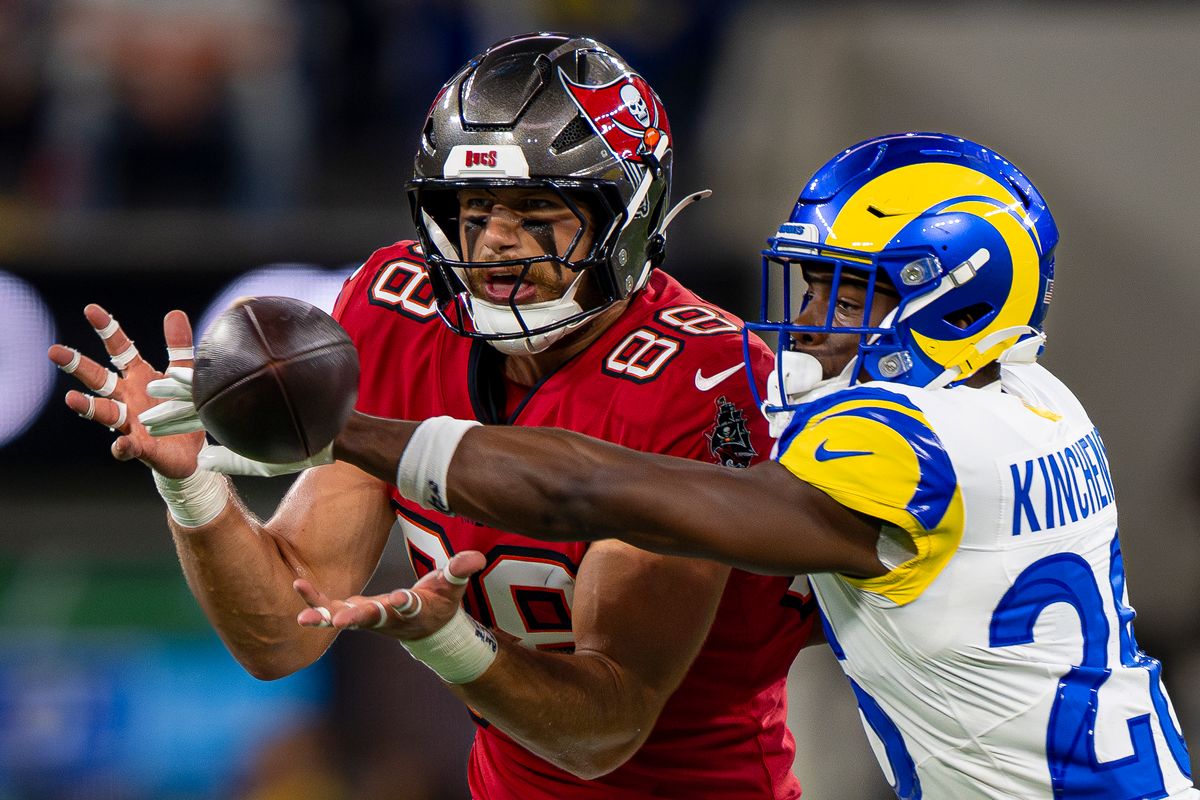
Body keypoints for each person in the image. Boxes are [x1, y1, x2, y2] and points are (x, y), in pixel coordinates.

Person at [247, 132, 1196, 799]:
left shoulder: (901, 445)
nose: (808, 323)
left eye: (846, 293)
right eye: (810, 281)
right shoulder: (1040, 404)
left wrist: (341, 429)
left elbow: (596, 492)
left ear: (956, 302)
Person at [49, 33, 814, 799]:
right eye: (474, 208)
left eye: (537, 209)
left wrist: (451, 640)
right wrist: (194, 489)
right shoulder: (399, 309)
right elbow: (282, 630)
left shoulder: (709, 381)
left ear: (629, 213)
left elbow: (604, 730)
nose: (496, 242)